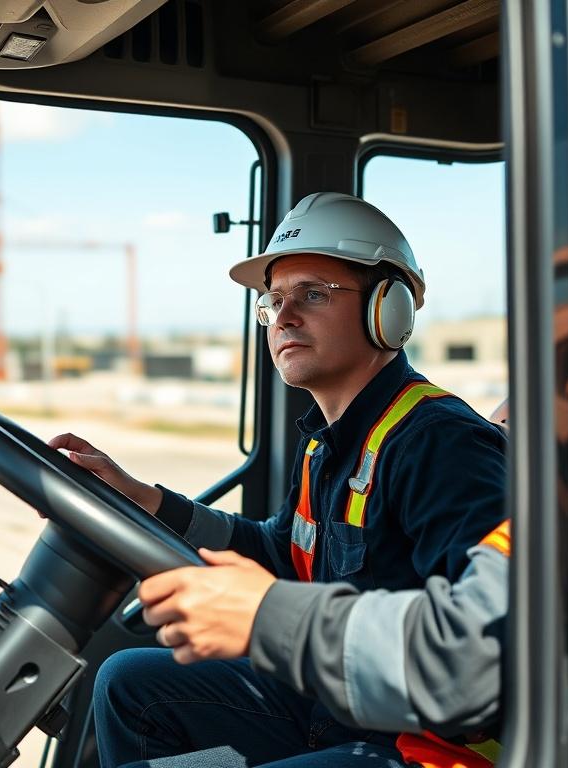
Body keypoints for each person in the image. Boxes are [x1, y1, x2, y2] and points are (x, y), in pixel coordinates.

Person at [49, 192, 509, 768]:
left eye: (313, 294)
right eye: (274, 300)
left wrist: (270, 618)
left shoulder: (441, 443)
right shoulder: (325, 439)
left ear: (388, 310)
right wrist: (147, 501)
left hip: (414, 744)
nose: (284, 316)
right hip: (331, 704)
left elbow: (489, 649)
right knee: (129, 683)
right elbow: (285, 553)